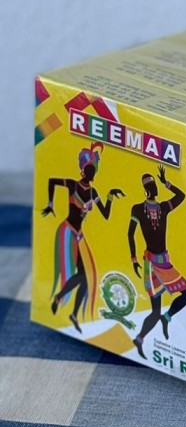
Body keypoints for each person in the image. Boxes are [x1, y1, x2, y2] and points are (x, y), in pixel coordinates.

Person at [41, 142, 124, 332]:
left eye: (93, 170)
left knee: (86, 278)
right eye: (88, 169)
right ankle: (59, 298)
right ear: (83, 171)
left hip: (79, 235)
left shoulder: (93, 192)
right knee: (81, 274)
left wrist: (110, 196)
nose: (91, 173)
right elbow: (52, 181)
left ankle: (72, 312)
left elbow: (105, 214)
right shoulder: (73, 185)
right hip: (68, 231)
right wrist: (51, 204)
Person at [128, 165, 186, 358]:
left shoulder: (163, 207)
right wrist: (133, 259)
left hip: (165, 262)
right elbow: (130, 234)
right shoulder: (138, 209)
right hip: (151, 265)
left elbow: (181, 196)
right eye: (151, 185)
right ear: (146, 190)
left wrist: (167, 183)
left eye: (155, 184)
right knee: (155, 311)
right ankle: (140, 338)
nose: (154, 188)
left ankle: (168, 317)